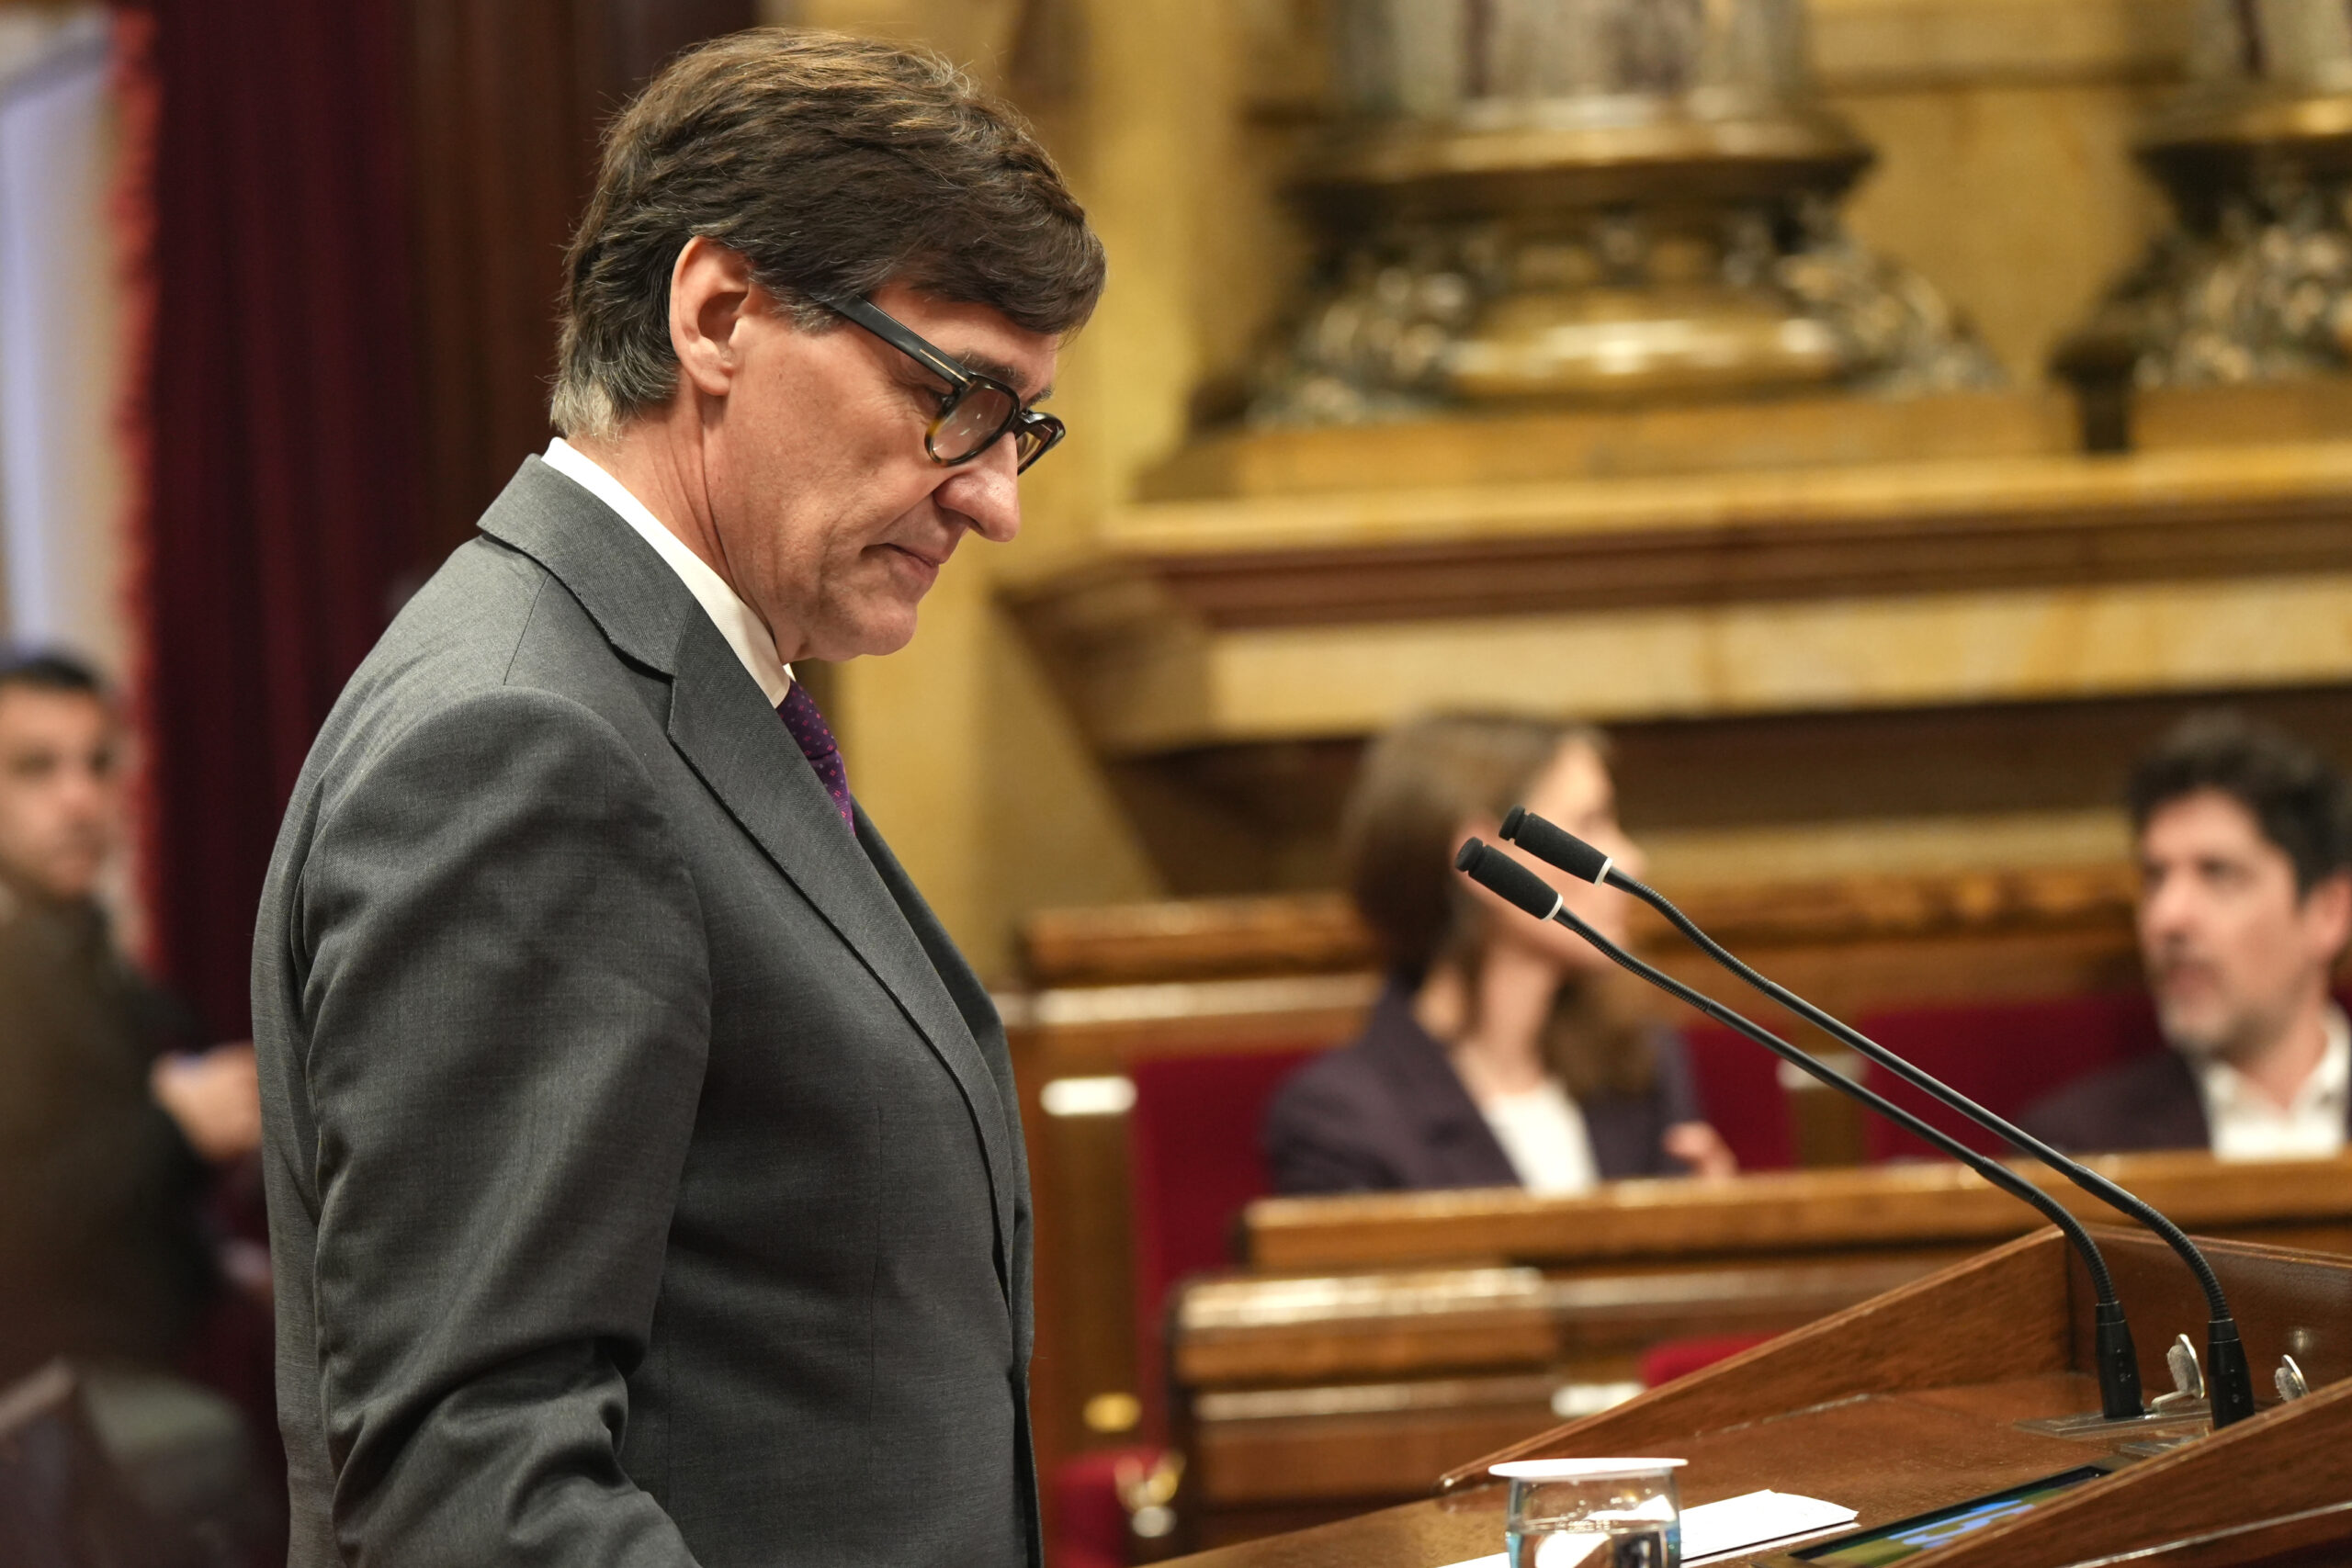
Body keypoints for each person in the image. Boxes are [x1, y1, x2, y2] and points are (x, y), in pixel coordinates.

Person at [251, 30, 1104, 1568]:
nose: (996, 500)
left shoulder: (664, 692)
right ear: (717, 314)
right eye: (958, 397)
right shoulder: (523, 735)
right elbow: (473, 1493)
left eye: (1019, 425)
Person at [0, 649, 267, 1544]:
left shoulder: (96, 964)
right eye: (35, 768)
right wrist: (173, 1128)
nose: (79, 798)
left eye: (99, 762)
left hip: (132, 1375)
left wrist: (222, 1262)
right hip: (44, 1420)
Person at [1263, 714, 1736, 1194]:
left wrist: (1715, 1224)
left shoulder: (1640, 1060)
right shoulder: (1340, 1117)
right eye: (1589, 824)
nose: (1631, 859)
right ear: (1485, 858)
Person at [2023, 712, 2352, 1157]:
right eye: (2155, 879)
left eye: (2218, 873)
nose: (2168, 917)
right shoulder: (2072, 1150)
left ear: (2329, 913)